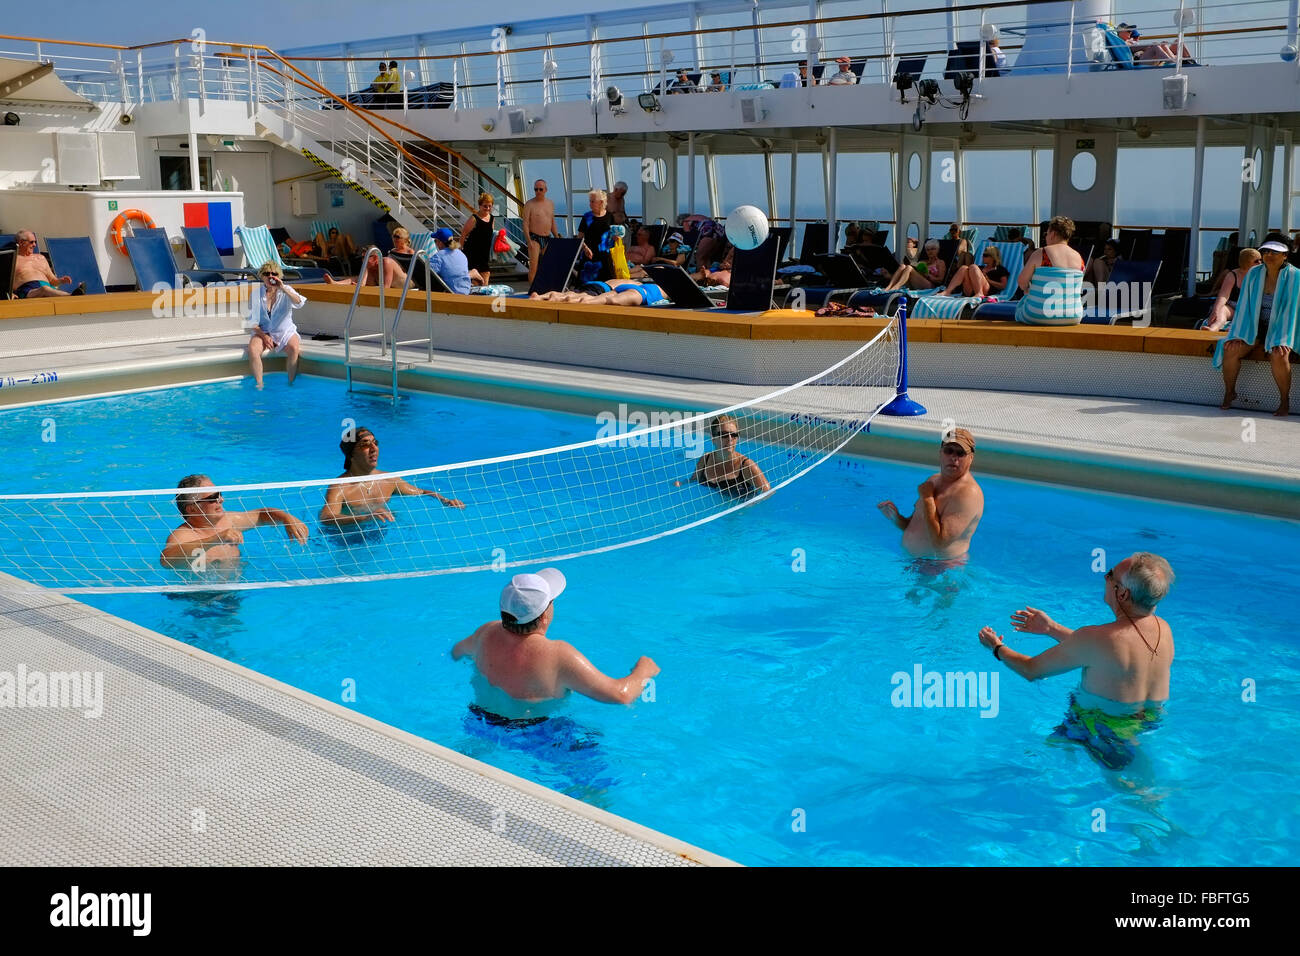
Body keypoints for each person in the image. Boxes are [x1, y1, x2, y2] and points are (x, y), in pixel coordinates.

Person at [978, 552, 1175, 770]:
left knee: (1032, 765)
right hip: (1148, 720)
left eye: (1110, 574)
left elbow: (1031, 670)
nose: (1104, 578)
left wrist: (996, 648)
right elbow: (1105, 654)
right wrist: (1052, 629)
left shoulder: (1096, 639)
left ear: (1122, 594)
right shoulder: (1163, 629)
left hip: (1101, 727)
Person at [452, 567, 661, 726]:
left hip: (479, 720)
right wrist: (644, 671)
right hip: (536, 732)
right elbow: (620, 695)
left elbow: (457, 653)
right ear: (544, 616)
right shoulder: (559, 655)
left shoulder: (485, 632)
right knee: (596, 779)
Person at [1214, 234, 1299, 416]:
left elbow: (1292, 312)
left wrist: (1283, 338)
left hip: (1286, 327)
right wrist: (1238, 333)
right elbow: (1244, 305)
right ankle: (1230, 392)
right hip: (1255, 325)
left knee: (1279, 354)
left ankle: (1285, 401)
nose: (1269, 254)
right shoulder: (1254, 273)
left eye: (1275, 251)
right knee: (1230, 348)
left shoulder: (1296, 277)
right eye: (1266, 250)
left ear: (1285, 255)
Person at [877, 427, 984, 569]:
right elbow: (916, 526)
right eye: (949, 451)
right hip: (916, 564)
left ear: (971, 458)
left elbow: (940, 543)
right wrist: (896, 518)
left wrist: (928, 498)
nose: (953, 457)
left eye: (960, 453)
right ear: (940, 453)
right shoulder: (933, 480)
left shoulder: (968, 493)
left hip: (942, 570)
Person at [319, 427, 465, 529]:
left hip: (381, 532)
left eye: (375, 443)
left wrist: (445, 500)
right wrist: (365, 518)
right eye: (365, 444)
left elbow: (422, 492)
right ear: (351, 454)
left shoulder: (389, 480)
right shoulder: (340, 487)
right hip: (348, 539)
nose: (374, 448)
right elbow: (326, 518)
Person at [160, 474, 308, 570]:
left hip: (233, 594)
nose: (221, 500)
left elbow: (261, 515)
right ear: (192, 509)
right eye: (213, 498)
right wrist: (217, 539)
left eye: (220, 494)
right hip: (198, 599)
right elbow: (166, 560)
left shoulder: (228, 521)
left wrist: (286, 518)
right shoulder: (183, 535)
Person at [1014, 215, 1086, 325]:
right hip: (1073, 316)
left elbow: (1022, 282)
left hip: (1038, 314)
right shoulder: (1079, 258)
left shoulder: (1042, 253)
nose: (1046, 237)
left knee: (1020, 306)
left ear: (1052, 234)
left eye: (1046, 234)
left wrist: (1027, 289)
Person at [246, 262, 304, 389]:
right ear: (262, 276)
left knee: (294, 348)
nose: (270, 276)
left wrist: (282, 287)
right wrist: (264, 336)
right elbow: (252, 322)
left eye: (274, 274)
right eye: (267, 274)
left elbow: (299, 303)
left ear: (280, 276)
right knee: (253, 350)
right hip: (263, 331)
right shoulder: (256, 294)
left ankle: (290, 383)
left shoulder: (286, 290)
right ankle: (259, 385)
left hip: (285, 331)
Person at [689, 414, 771, 498]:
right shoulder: (705, 460)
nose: (730, 438)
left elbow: (768, 493)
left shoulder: (746, 466)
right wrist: (680, 484)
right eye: (724, 434)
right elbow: (693, 481)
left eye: (734, 435)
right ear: (713, 439)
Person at [11, 230, 84, 298]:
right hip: (27, 290)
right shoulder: (12, 260)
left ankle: (74, 295)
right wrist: (10, 293)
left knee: (46, 289)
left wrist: (61, 280)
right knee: (44, 289)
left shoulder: (41, 258)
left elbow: (52, 280)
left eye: (35, 242)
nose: (34, 245)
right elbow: (3, 283)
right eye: (31, 242)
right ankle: (72, 296)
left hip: (47, 287)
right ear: (21, 242)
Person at [1203, 247, 1261, 332]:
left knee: (1248, 314)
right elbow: (1223, 295)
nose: (1260, 263)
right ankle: (1213, 328)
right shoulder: (1233, 275)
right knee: (1222, 311)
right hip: (1233, 307)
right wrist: (1216, 310)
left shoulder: (1260, 276)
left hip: (1249, 308)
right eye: (1256, 261)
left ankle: (1233, 329)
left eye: (1260, 260)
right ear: (1246, 262)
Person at [522, 179, 560, 284]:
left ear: (545, 190)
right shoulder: (529, 204)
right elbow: (525, 223)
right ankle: (532, 290)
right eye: (536, 189)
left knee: (548, 265)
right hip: (534, 237)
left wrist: (556, 237)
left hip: (547, 237)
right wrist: (528, 241)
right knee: (534, 266)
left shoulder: (550, 203)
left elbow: (552, 222)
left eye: (540, 189)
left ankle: (545, 287)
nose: (538, 191)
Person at [529, 279, 666, 307]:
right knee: (611, 301)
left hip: (609, 286)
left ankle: (544, 296)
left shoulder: (633, 281)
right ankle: (585, 302)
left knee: (609, 298)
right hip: (644, 292)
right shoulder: (663, 287)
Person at [939, 246, 1008, 298]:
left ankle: (979, 293)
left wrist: (988, 280)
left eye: (985, 255)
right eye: (983, 255)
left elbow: (1003, 286)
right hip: (970, 291)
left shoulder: (1000, 269)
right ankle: (947, 291)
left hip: (986, 291)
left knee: (973, 266)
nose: (983, 257)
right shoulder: (981, 267)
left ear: (993, 257)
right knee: (964, 268)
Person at [577, 189, 614, 282]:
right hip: (589, 256)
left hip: (605, 257)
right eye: (590, 201)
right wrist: (585, 248)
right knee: (586, 286)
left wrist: (616, 238)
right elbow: (579, 238)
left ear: (601, 202)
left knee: (607, 284)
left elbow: (613, 234)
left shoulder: (610, 216)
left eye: (593, 201)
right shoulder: (587, 217)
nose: (590, 204)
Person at [460, 192, 496, 287]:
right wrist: (460, 250)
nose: (487, 208)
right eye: (485, 206)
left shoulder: (492, 218)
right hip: (472, 253)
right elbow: (463, 233)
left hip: (484, 254)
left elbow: (490, 234)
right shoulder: (474, 218)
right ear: (480, 206)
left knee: (486, 275)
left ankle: (483, 299)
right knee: (475, 282)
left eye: (489, 206)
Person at [882, 239, 946, 291]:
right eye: (928, 250)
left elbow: (940, 280)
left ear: (938, 250)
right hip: (918, 283)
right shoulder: (923, 262)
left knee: (909, 268)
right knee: (903, 266)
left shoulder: (940, 262)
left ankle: (896, 287)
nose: (930, 251)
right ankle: (889, 287)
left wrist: (928, 275)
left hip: (930, 286)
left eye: (933, 249)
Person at [430, 227, 472, 294]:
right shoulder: (461, 254)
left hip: (452, 293)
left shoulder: (439, 256)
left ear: (440, 243)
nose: (435, 244)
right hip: (466, 291)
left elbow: (425, 272)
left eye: (435, 241)